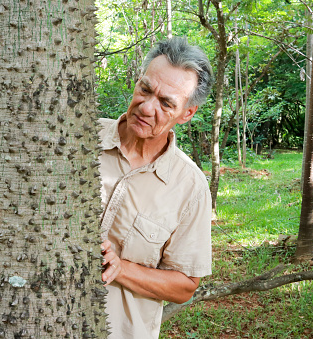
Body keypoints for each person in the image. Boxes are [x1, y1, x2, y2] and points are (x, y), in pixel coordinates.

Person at [98, 37, 213, 339]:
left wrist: (121, 268)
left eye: (166, 103)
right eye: (145, 89)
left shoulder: (191, 187)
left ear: (187, 113)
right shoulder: (77, 136)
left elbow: (185, 284)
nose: (146, 108)